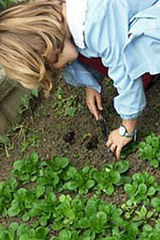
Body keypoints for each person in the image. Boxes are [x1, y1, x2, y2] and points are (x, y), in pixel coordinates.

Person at [0, 0, 160, 159]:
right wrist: (91, 85)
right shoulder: (69, 18)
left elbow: (125, 73)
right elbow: (75, 56)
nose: (57, 70)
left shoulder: (97, 23)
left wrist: (126, 129)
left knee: (133, 53)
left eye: (50, 66)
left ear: (47, 46)